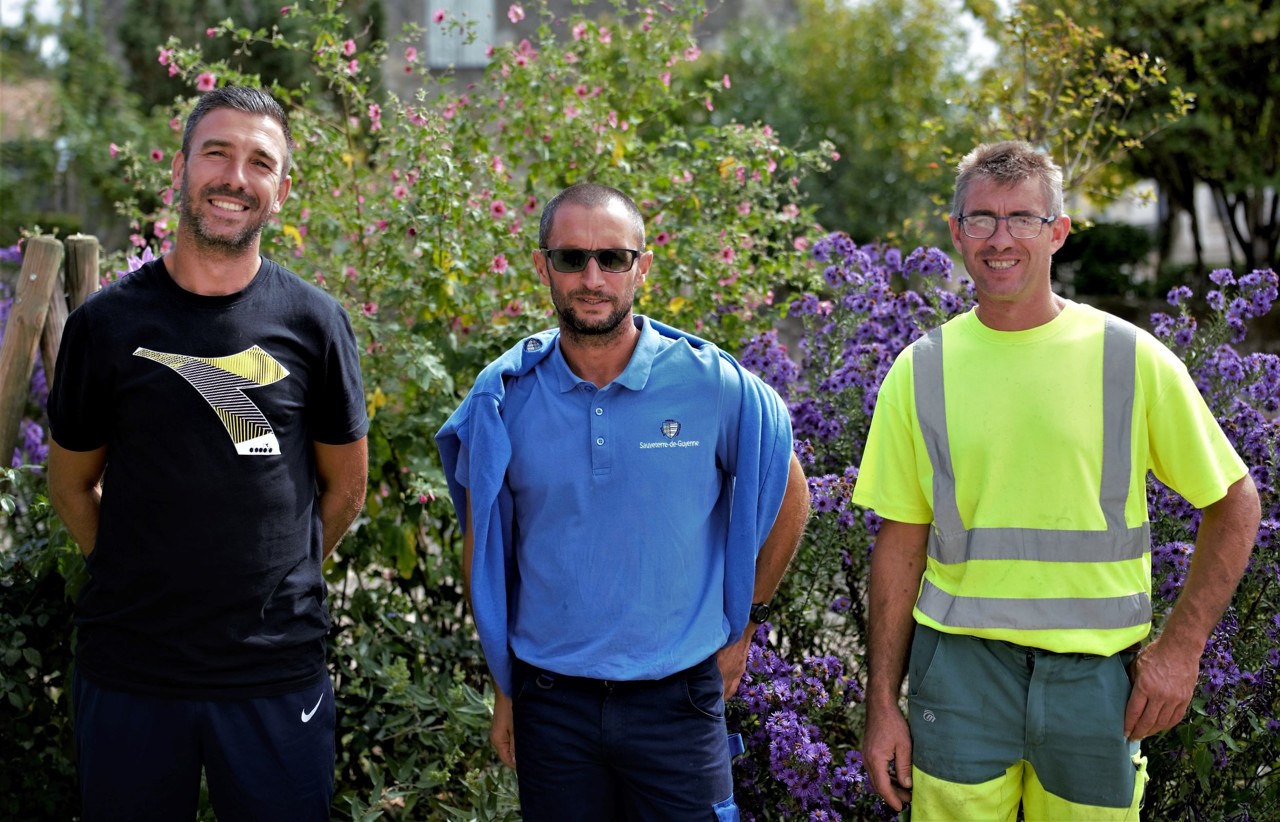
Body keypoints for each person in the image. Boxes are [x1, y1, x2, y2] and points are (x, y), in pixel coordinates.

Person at [852, 140, 1261, 820]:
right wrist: (881, 706)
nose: (1000, 238)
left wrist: (1182, 649)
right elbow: (899, 543)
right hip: (957, 676)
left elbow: (1235, 502)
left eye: (1023, 217)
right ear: (956, 231)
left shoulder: (1130, 358)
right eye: (981, 218)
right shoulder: (920, 371)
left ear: (1059, 232)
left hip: (1096, 683)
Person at [436, 182, 810, 820]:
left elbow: (791, 494)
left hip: (678, 704)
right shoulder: (505, 398)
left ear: (642, 266)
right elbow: (487, 549)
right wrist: (505, 686)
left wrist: (747, 624)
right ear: (542, 266)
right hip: (552, 705)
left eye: (612, 258)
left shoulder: (710, 384)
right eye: (571, 258)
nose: (592, 278)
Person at [47, 86, 369, 820]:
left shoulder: (316, 323)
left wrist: (279, 578)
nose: (235, 177)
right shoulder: (105, 325)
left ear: (281, 192)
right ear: (181, 169)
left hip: (275, 674)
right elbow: (70, 485)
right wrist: (128, 573)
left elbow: (345, 489)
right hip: (131, 671)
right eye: (217, 153)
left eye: (261, 162)